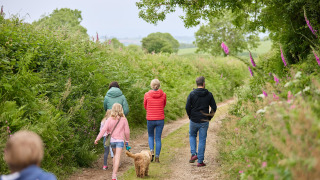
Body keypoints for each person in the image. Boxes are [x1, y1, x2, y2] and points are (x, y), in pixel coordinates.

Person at [185, 76, 217, 167]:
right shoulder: (209, 94)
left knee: (192, 135)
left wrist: (190, 116)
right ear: (203, 83)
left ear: (197, 84)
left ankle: (193, 154)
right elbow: (214, 107)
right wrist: (209, 117)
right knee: (202, 139)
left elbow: (187, 107)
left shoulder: (192, 94)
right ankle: (200, 161)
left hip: (194, 120)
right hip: (204, 121)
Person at [95, 103, 130, 180]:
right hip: (120, 140)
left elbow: (103, 129)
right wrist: (127, 140)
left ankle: (114, 173)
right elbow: (127, 131)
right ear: (121, 109)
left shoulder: (109, 119)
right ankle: (114, 175)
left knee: (114, 155)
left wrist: (97, 138)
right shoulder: (124, 119)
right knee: (117, 156)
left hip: (112, 141)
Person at [102, 81, 129, 169]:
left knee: (110, 137)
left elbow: (105, 107)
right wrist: (121, 116)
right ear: (118, 87)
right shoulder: (122, 96)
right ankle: (116, 159)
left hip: (109, 118)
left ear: (110, 88)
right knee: (118, 138)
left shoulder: (106, 96)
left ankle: (111, 158)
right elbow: (126, 109)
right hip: (119, 120)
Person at [144, 79, 166, 163]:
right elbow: (164, 105)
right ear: (159, 85)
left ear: (151, 85)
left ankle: (151, 151)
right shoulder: (163, 95)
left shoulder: (147, 94)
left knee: (150, 136)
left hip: (150, 118)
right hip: (160, 118)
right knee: (158, 138)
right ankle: (157, 157)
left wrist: (150, 110)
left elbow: (145, 106)